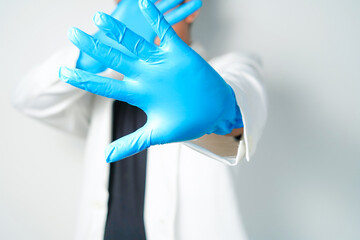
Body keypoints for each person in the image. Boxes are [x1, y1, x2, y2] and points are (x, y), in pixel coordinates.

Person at [12, 0, 267, 239]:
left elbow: (240, 114)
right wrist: (85, 60)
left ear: (190, 7)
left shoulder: (231, 68)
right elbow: (28, 98)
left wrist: (222, 112)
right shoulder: (103, 88)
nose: (142, 14)